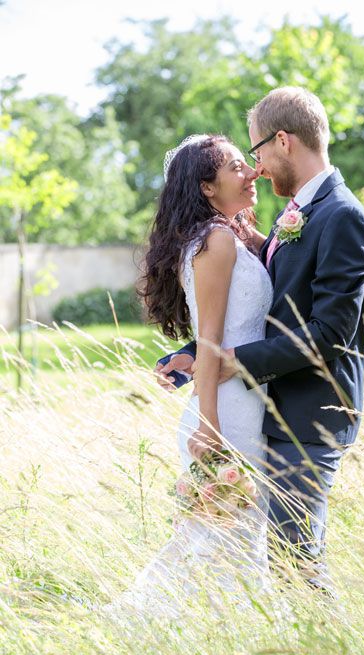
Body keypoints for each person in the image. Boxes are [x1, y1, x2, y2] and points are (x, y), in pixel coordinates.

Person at [156, 87, 364, 600]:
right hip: (266, 412)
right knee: (260, 555)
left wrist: (236, 362)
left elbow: (330, 334)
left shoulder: (340, 215)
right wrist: (197, 353)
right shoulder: (294, 215)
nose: (256, 169)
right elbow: (261, 311)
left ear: (283, 141)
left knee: (292, 555)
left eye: (256, 152)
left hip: (310, 413)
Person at [110, 134, 275, 619]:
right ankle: (230, 627)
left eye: (251, 166)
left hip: (244, 397)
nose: (252, 174)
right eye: (237, 168)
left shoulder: (232, 235)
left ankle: (185, 623)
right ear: (207, 187)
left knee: (223, 532)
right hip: (226, 410)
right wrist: (208, 424)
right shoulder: (216, 241)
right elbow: (210, 339)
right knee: (229, 530)